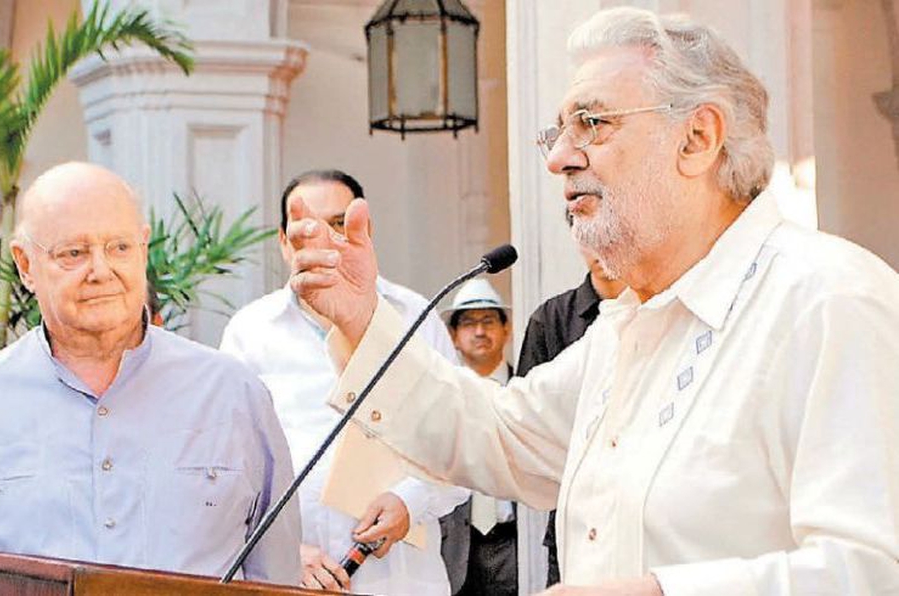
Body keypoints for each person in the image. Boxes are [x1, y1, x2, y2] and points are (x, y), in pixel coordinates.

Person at [282, 7, 899, 595]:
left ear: (698, 138)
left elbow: (873, 571)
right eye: (559, 131)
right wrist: (361, 320)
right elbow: (498, 435)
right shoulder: (628, 325)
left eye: (593, 124)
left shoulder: (830, 302)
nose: (557, 158)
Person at [0, 162, 300, 583]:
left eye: (119, 248)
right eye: (73, 253)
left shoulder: (233, 394)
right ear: (25, 265)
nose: (100, 270)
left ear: (144, 247)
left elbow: (276, 576)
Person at [220, 169, 468, 595]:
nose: (324, 241)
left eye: (339, 224)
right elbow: (226, 464)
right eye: (306, 229)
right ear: (284, 243)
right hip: (293, 579)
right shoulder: (251, 330)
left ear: (365, 230)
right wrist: (282, 549)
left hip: (400, 577)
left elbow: (462, 443)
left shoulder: (413, 317)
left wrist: (412, 501)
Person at [517, 237, 627, 588]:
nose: (601, 246)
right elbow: (525, 421)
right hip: (573, 515)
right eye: (589, 235)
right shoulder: (550, 319)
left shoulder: (657, 309)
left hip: (637, 511)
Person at [441, 279, 518, 596]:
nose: (480, 332)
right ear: (454, 337)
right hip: (457, 542)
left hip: (512, 541)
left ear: (506, 330)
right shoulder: (442, 397)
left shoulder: (526, 391)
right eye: (469, 324)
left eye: (488, 321)